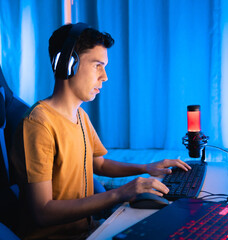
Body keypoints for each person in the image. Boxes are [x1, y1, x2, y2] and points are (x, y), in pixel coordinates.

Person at [11, 22, 191, 240]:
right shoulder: (39, 124)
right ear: (68, 64)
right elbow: (42, 212)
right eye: (97, 65)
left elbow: (99, 163)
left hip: (88, 230)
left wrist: (146, 167)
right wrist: (121, 192)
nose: (104, 76)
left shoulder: (80, 116)